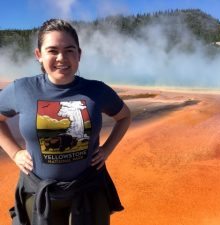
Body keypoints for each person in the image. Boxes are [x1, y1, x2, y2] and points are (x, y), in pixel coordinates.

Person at [0, 19, 131, 225]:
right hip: (39, 193)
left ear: (79, 54)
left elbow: (124, 117)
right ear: (39, 55)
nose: (62, 58)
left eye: (70, 50)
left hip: (88, 189)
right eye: (52, 50)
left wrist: (107, 149)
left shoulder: (97, 90)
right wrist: (15, 153)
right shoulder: (21, 89)